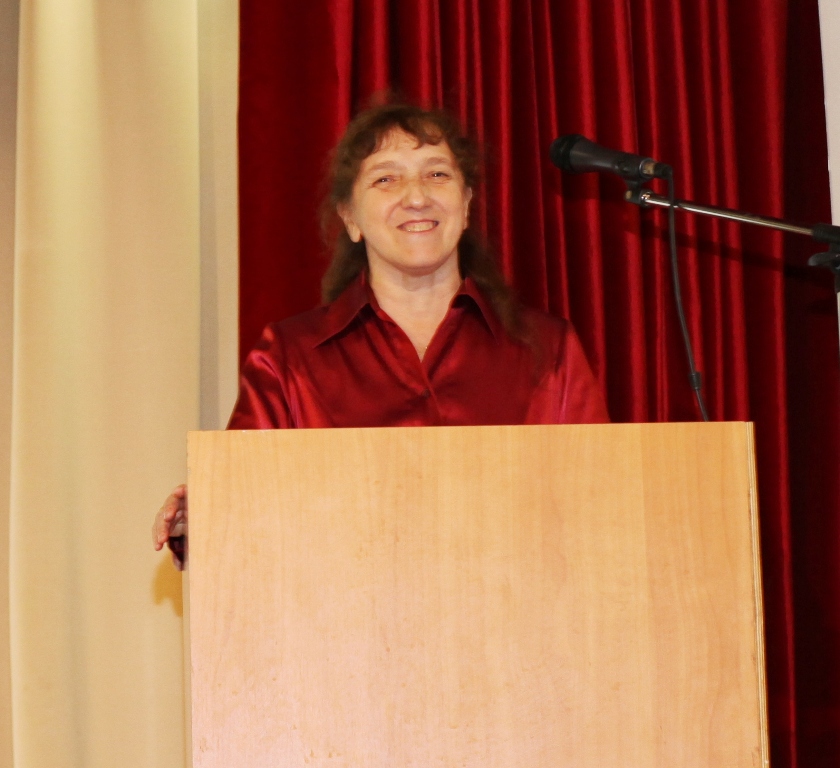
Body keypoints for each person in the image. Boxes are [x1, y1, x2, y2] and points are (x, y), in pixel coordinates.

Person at [152, 103, 609, 568]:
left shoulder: (548, 349)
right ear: (350, 217)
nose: (417, 197)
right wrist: (203, 520)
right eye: (386, 179)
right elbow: (246, 513)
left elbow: (602, 504)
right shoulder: (288, 358)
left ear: (467, 204)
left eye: (437, 174)